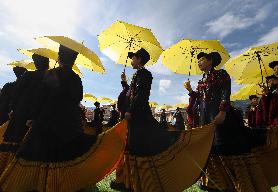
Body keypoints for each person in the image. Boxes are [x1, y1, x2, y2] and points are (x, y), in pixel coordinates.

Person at [0, 45, 127, 191]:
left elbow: (41, 98)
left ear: (59, 58)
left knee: (40, 154)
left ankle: (39, 184)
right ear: (73, 61)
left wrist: (34, 117)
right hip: (69, 123)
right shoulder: (76, 78)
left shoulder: (51, 74)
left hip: (48, 121)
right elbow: (78, 97)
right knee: (65, 154)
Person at [115, 48, 216, 192]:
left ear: (139, 59)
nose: (131, 61)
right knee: (133, 147)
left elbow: (141, 96)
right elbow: (131, 94)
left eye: (133, 58)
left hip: (140, 118)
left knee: (140, 148)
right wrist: (124, 83)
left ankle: (144, 184)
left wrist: (130, 110)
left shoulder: (145, 74)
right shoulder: (138, 74)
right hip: (136, 118)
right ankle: (132, 183)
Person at [185, 52, 268, 192]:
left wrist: (222, 111)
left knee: (226, 147)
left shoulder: (221, 74)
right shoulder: (201, 80)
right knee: (213, 150)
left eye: (202, 59)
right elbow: (200, 100)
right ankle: (219, 185)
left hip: (222, 119)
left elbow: (225, 92)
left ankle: (240, 185)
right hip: (207, 120)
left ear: (210, 60)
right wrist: (190, 90)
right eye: (198, 61)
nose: (199, 62)